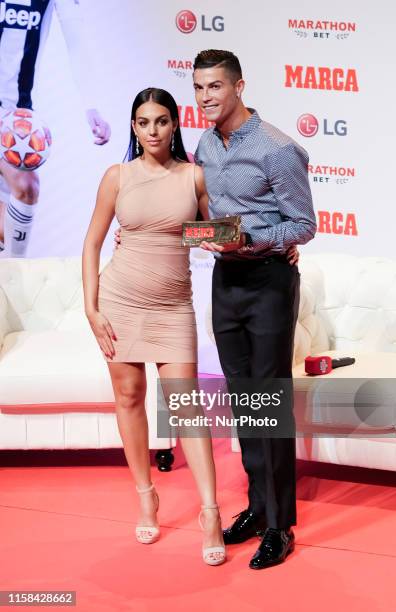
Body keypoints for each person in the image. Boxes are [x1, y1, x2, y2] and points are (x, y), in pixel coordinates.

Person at [82, 87, 226, 566]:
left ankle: (210, 511)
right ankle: (146, 496)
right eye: (143, 123)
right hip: (119, 300)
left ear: (174, 125)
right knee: (129, 398)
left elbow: (222, 233)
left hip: (172, 307)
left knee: (186, 407)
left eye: (161, 121)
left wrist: (180, 232)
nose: (152, 131)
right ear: (133, 127)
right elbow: (92, 244)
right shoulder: (116, 176)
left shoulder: (194, 176)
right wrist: (91, 308)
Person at [193, 49, 317, 570]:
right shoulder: (204, 143)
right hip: (227, 282)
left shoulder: (277, 148)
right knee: (244, 401)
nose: (205, 98)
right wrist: (210, 236)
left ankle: (281, 526)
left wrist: (257, 240)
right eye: (199, 88)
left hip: (268, 281)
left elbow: (304, 225)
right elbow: (207, 215)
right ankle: (257, 508)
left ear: (239, 86)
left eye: (215, 87)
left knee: (270, 401)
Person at [0, 0, 111, 257]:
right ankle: (19, 274)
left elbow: (76, 38)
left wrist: (91, 105)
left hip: (18, 121)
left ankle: (12, 277)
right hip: (11, 125)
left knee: (9, 221)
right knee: (27, 184)